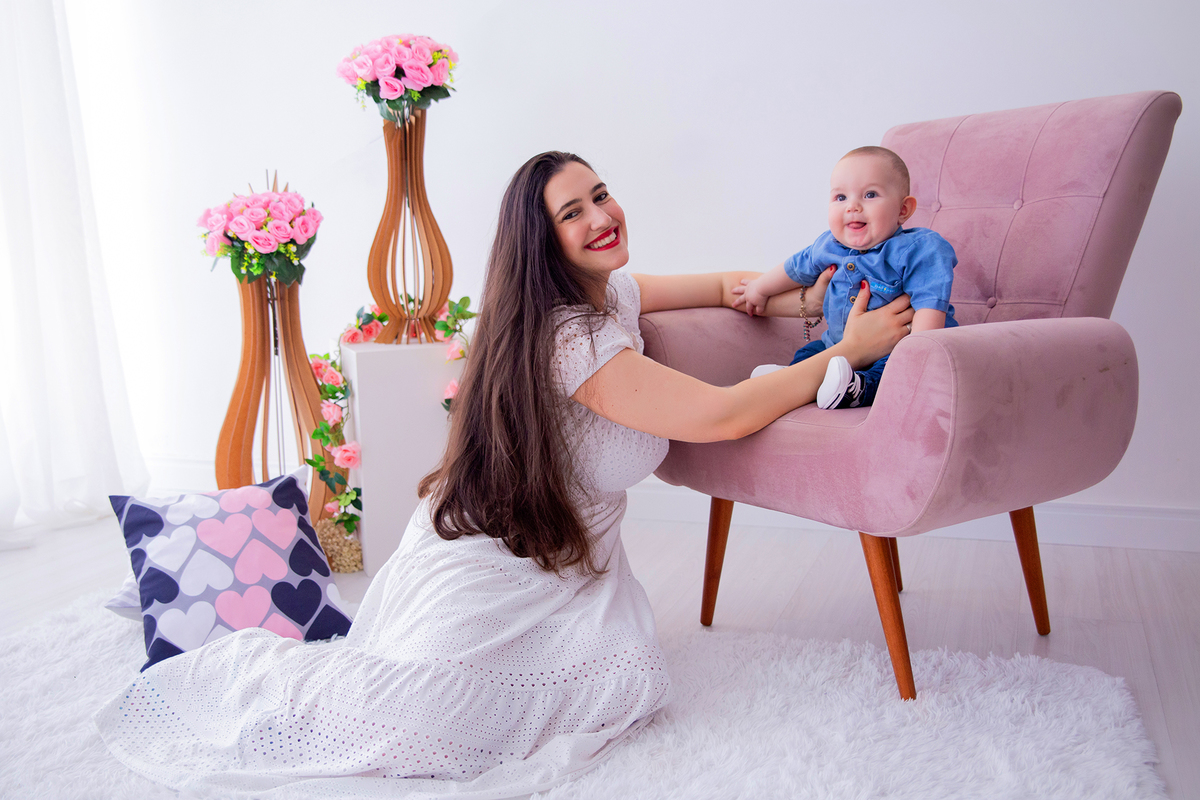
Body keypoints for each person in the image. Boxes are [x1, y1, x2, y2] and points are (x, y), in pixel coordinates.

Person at [95, 152, 914, 799]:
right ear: (542, 239)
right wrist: (849, 353)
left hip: (571, 568)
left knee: (623, 681)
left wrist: (815, 300)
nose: (601, 216)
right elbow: (719, 416)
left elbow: (737, 289)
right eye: (573, 211)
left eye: (601, 194)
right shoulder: (569, 337)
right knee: (411, 726)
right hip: (486, 559)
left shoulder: (615, 294)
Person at [733, 146, 957, 409]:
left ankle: (854, 389)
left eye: (870, 195)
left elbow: (930, 304)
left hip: (893, 348)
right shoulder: (829, 245)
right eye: (840, 197)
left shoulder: (919, 249)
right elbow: (795, 268)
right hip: (838, 348)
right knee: (810, 354)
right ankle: (789, 380)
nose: (852, 206)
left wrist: (918, 358)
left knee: (888, 370)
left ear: (903, 209)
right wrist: (760, 290)